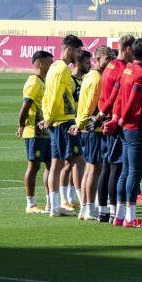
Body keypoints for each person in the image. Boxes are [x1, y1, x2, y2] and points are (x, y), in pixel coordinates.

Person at [110, 37, 142, 229]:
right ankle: (130, 218)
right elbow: (131, 101)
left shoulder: (128, 69)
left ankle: (120, 216)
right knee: (134, 173)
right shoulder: (140, 74)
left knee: (125, 172)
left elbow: (120, 98)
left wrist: (117, 117)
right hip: (136, 127)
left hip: (126, 127)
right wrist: (123, 118)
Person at [94, 35, 135, 222]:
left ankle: (103, 210)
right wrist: (105, 115)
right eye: (133, 50)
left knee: (107, 166)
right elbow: (115, 97)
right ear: (126, 48)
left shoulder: (109, 67)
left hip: (106, 120)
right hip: (113, 121)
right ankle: (112, 211)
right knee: (115, 168)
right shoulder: (121, 69)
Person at [42, 35, 85, 216]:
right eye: (78, 51)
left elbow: (50, 94)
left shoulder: (56, 68)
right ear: (69, 49)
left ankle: (54, 206)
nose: (79, 55)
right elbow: (54, 96)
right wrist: (50, 118)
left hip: (58, 120)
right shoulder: (61, 70)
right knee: (78, 161)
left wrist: (49, 117)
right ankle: (86, 204)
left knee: (56, 163)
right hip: (63, 121)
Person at [75, 47, 113, 220]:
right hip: (93, 129)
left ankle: (85, 207)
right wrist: (85, 122)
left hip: (87, 128)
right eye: (107, 58)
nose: (110, 62)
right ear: (97, 59)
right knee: (95, 168)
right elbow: (91, 104)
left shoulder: (90, 75)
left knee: (90, 167)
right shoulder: (97, 78)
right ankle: (89, 207)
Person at [17, 51, 54, 215]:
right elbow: (25, 107)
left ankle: (50, 202)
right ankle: (30, 204)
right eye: (49, 62)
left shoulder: (44, 81)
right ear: (41, 64)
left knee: (52, 165)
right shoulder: (33, 82)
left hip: (45, 131)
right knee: (34, 166)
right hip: (34, 130)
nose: (52, 65)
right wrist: (21, 125)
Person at [66, 51, 94, 218]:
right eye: (86, 61)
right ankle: (71, 198)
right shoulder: (69, 80)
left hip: (81, 124)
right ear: (77, 62)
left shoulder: (84, 80)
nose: (89, 64)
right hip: (73, 124)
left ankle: (71, 198)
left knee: (75, 162)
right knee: (71, 162)